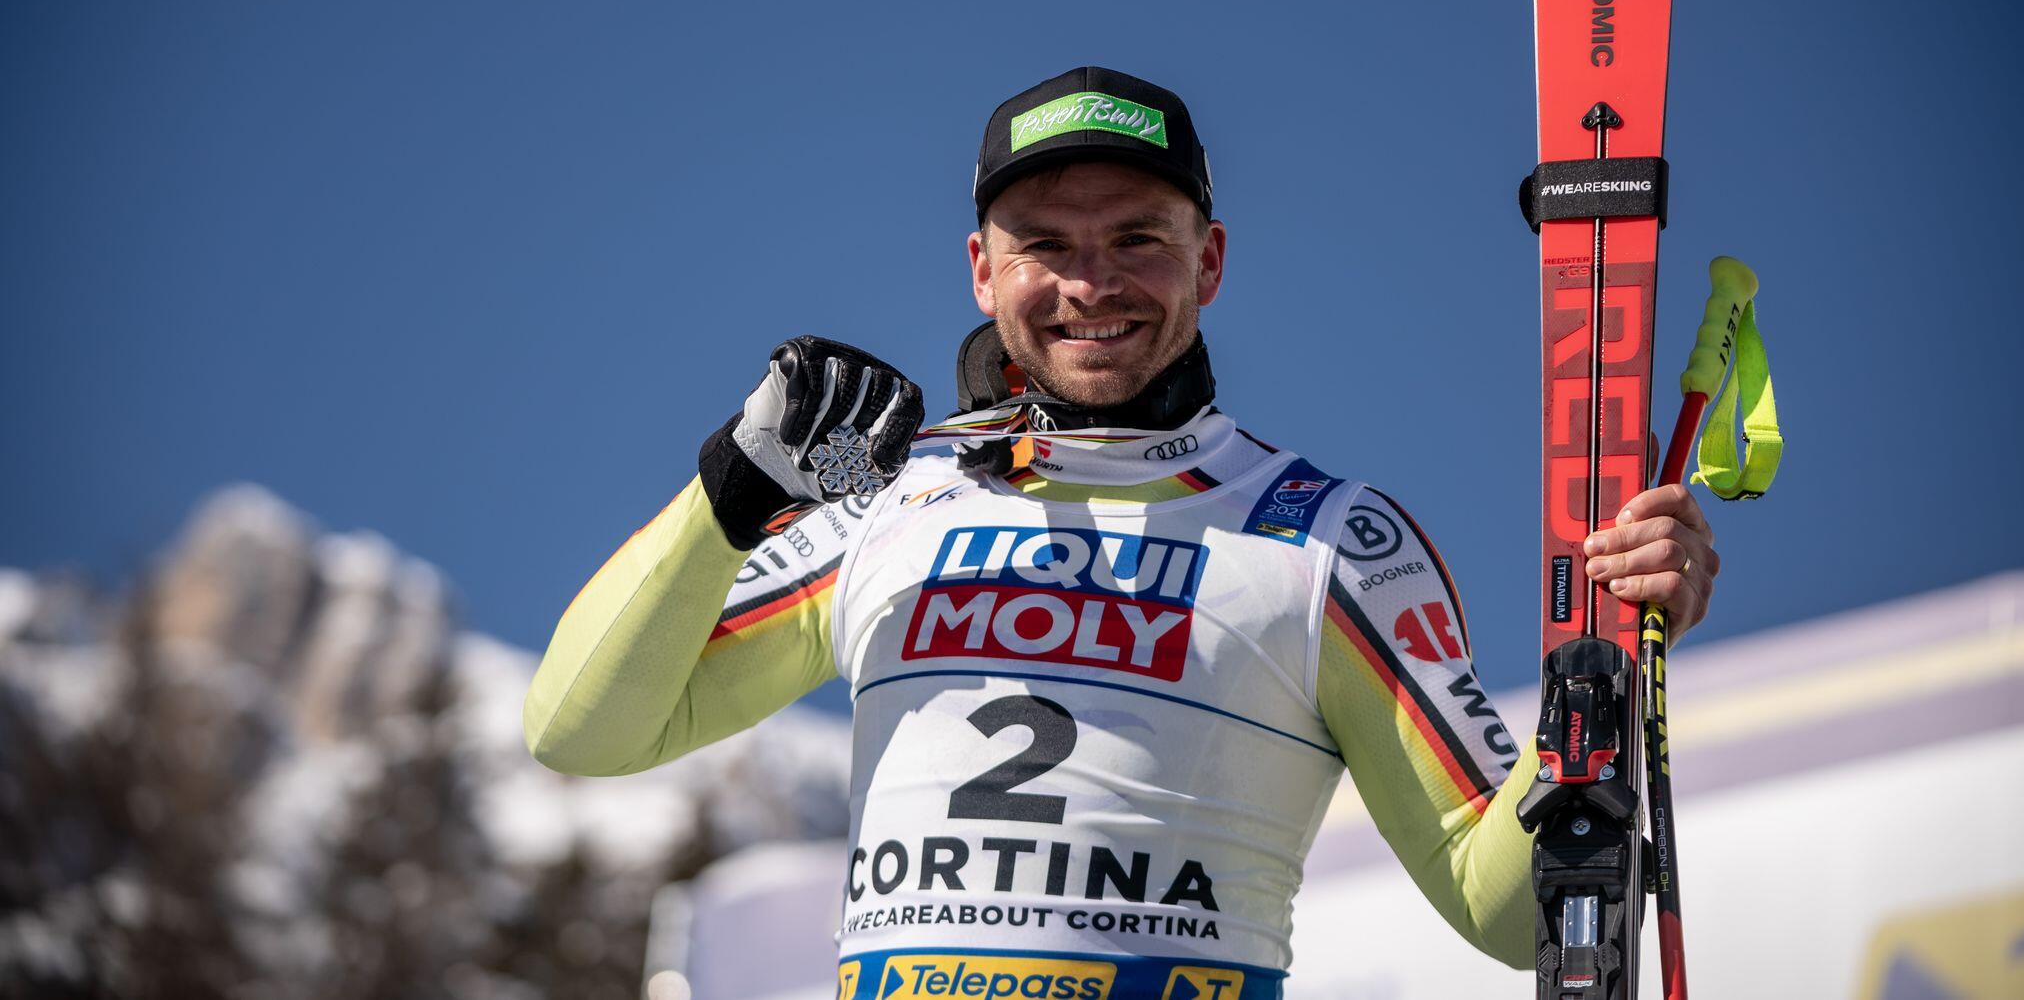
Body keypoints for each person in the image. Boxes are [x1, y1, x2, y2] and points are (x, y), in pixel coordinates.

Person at [523, 66, 1721, 1000]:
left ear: (1209, 259)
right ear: (981, 270)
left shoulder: (1326, 538)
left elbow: (1506, 913)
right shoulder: (890, 495)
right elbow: (582, 730)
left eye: (1137, 238)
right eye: (1044, 244)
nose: (1090, 282)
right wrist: (729, 491)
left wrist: (1613, 654)